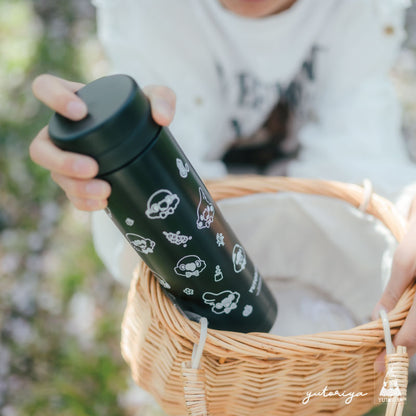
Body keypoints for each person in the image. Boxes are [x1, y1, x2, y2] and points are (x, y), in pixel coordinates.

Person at [30, 0, 416, 368]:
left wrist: (405, 209)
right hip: (216, 279)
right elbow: (172, 222)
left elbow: (361, 144)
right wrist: (117, 163)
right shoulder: (150, 14)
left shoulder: (359, 11)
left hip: (307, 259)